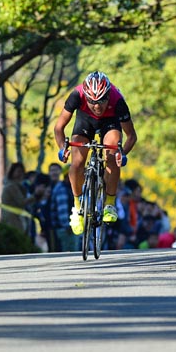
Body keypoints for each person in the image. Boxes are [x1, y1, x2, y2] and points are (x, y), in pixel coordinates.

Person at [54, 71, 137, 235]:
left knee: (112, 155)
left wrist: (123, 153)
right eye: (92, 101)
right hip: (85, 121)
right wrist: (62, 148)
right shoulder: (76, 95)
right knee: (77, 163)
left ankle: (109, 204)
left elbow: (131, 136)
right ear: (86, 96)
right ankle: (77, 208)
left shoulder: (117, 100)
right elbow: (59, 128)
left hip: (110, 121)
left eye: (101, 101)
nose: (97, 106)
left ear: (108, 95)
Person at [0, 162, 29, 234]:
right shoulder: (11, 186)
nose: (20, 174)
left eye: (22, 172)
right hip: (12, 220)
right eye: (18, 171)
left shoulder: (17, 186)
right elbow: (21, 202)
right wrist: (36, 196)